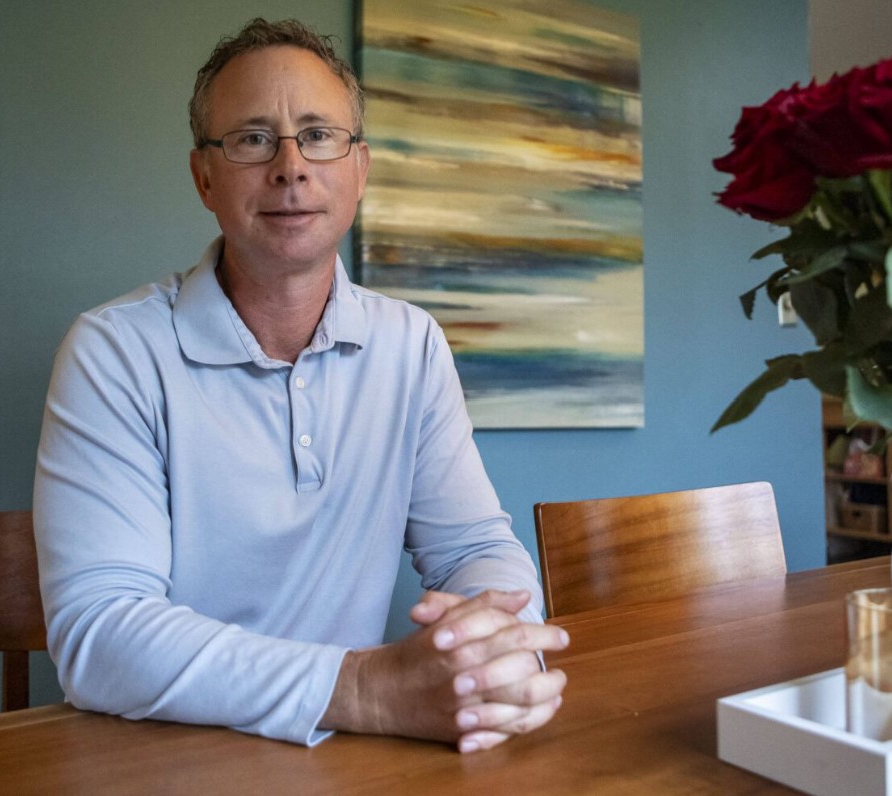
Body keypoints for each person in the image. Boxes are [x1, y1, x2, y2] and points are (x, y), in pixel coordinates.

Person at [32, 18, 568, 753]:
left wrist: (499, 650)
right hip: (165, 758)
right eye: (253, 138)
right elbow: (100, 633)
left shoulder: (411, 344)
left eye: (318, 135)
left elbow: (471, 546)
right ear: (204, 178)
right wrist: (361, 687)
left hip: (354, 756)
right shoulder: (113, 352)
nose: (291, 166)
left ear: (360, 169)